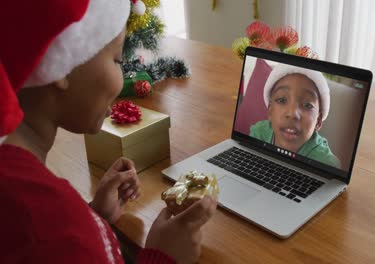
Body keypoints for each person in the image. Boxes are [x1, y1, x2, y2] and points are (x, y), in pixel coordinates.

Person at [0, 1, 217, 263]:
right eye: (117, 59)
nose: (123, 77)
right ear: (63, 62)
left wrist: (94, 217)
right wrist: (162, 256)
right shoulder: (55, 227)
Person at [250, 64, 341, 168]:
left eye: (307, 105)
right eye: (282, 100)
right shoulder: (259, 133)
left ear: (318, 121)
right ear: (270, 110)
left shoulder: (325, 163)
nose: (292, 113)